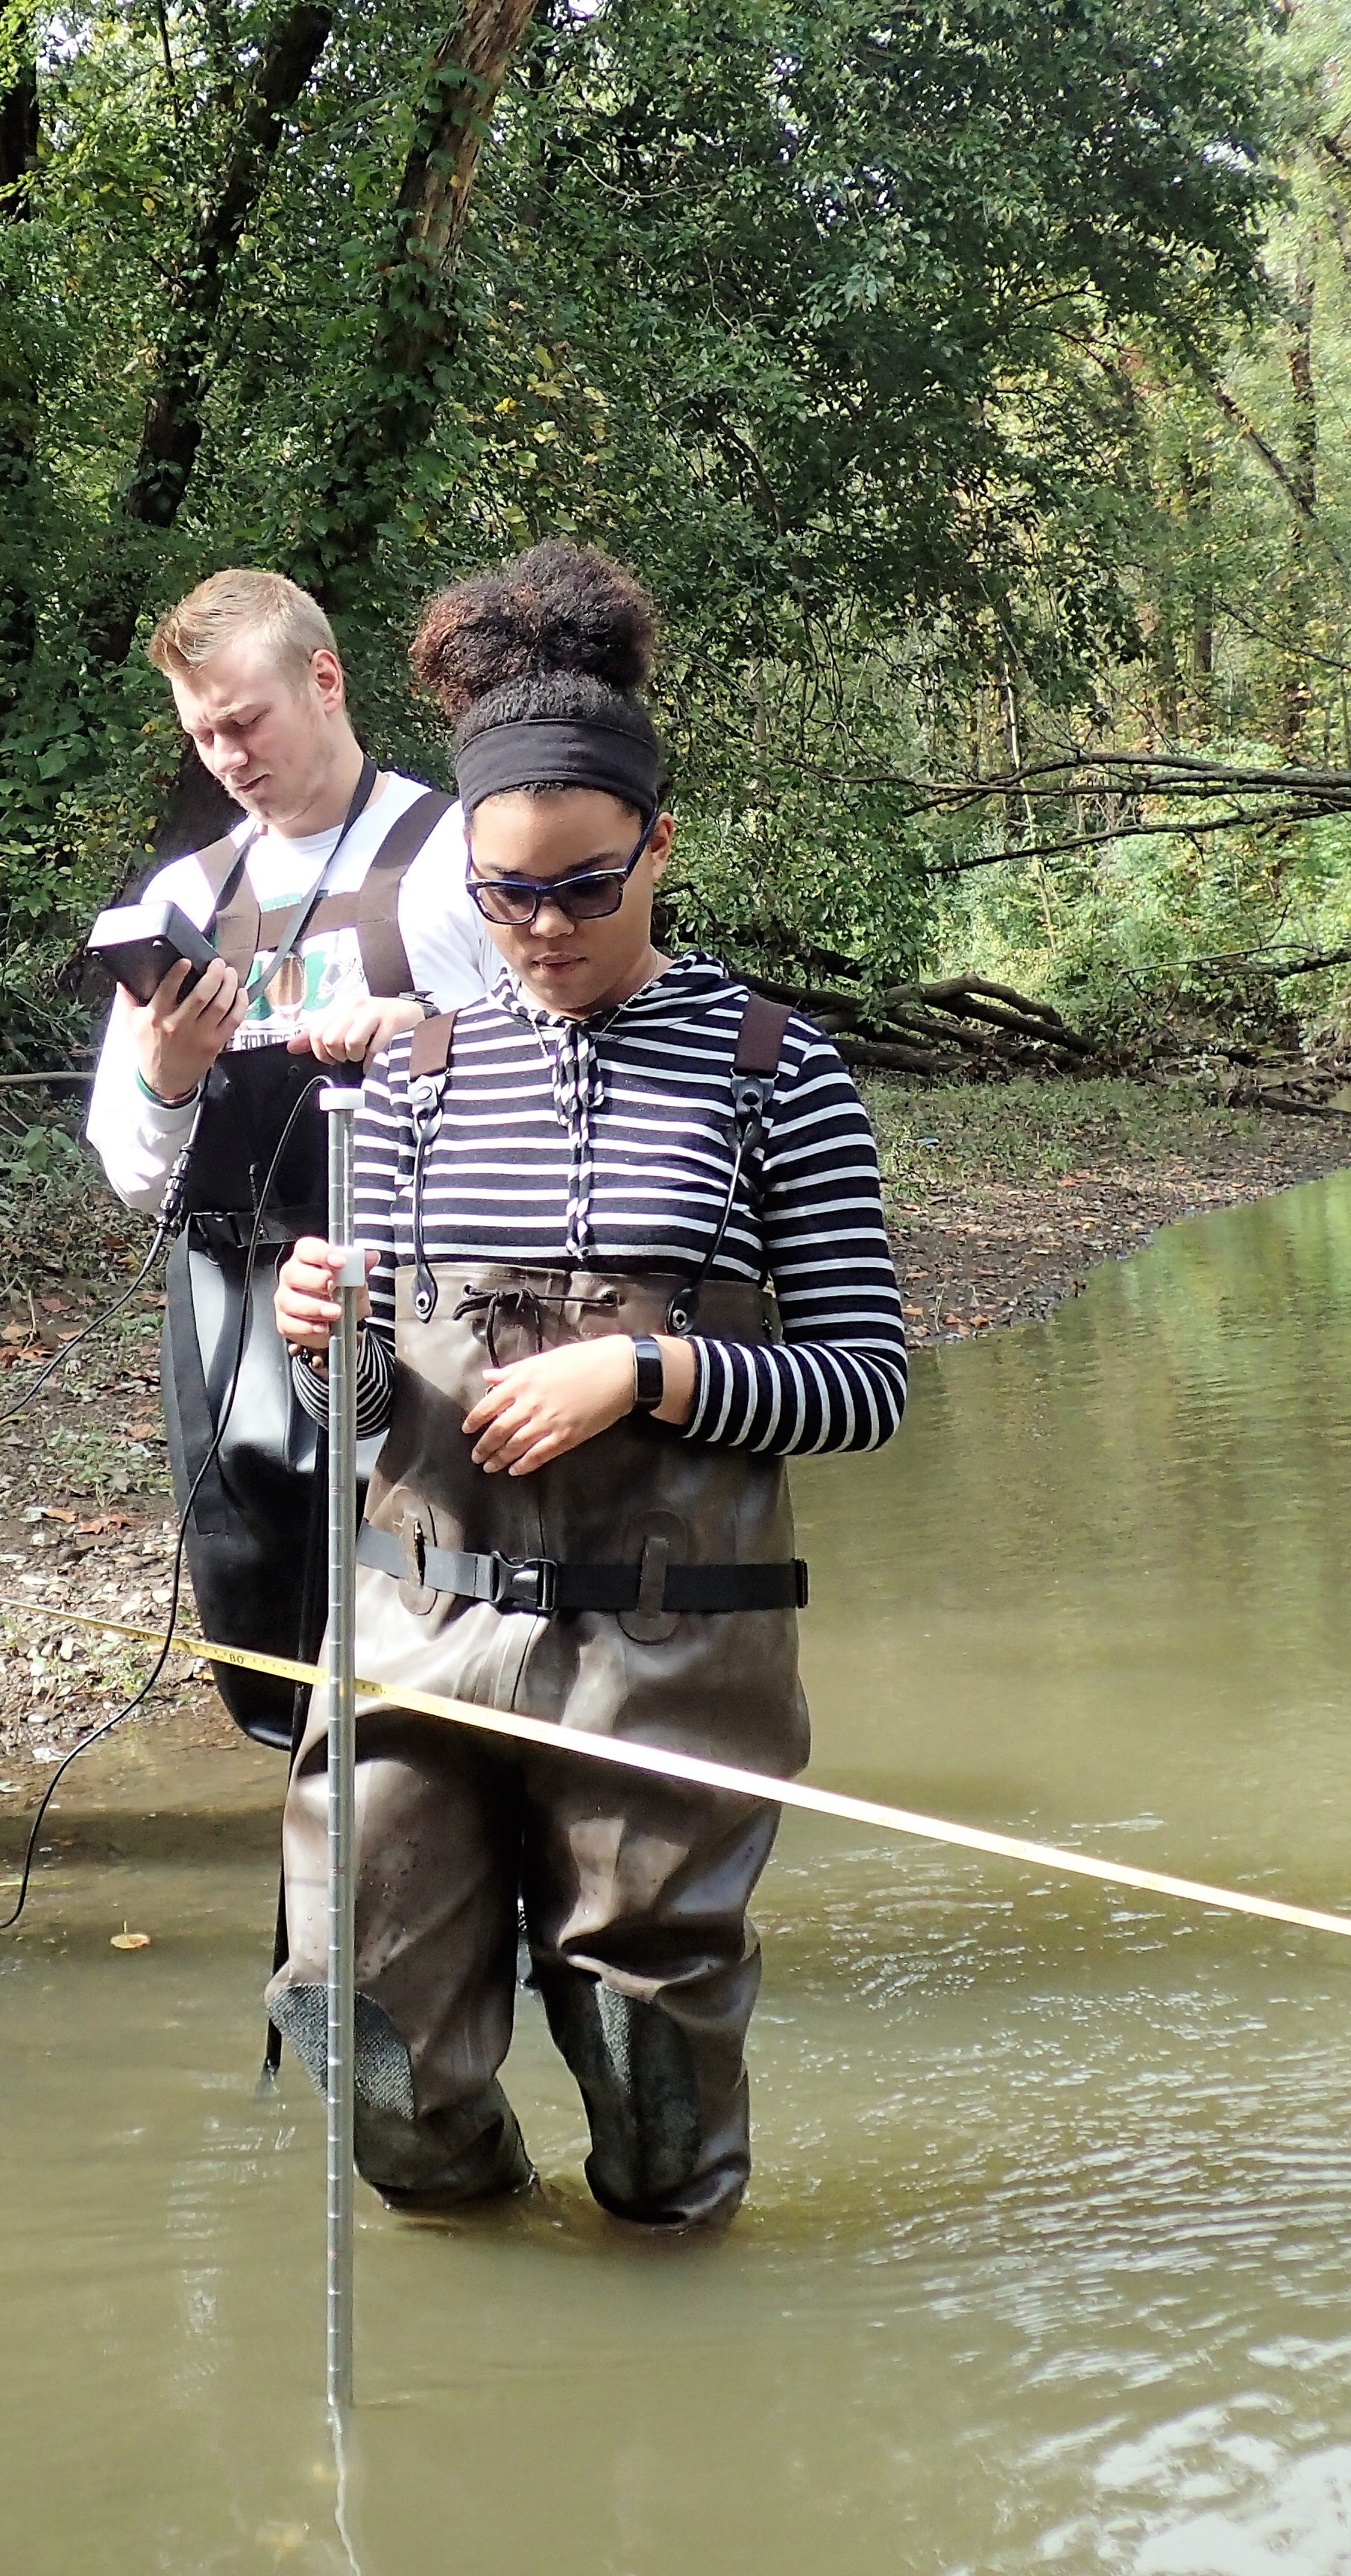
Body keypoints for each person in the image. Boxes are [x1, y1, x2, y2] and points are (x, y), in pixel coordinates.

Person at [265, 543, 908, 2228]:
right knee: (369, 2035)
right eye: (502, 896)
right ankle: (487, 2269)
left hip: (669, 1644)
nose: (541, 932)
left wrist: (649, 1370)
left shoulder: (781, 1070)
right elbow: (356, 1436)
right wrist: (318, 1335)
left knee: (651, 2085)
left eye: (583, 890)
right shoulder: (404, 1075)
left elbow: (866, 1381)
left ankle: (660, 2357)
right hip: (416, 1633)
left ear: (659, 849)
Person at [84, 569, 503, 1752]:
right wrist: (166, 1072)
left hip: (416, 1297)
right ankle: (315, 1889)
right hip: (228, 1306)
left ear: (324, 681)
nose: (225, 754)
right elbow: (128, 1169)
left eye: (243, 720)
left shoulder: (453, 858)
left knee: (428, 1609)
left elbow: (546, 1075)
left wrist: (415, 1035)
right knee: (262, 1642)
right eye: (201, 731)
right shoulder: (182, 896)